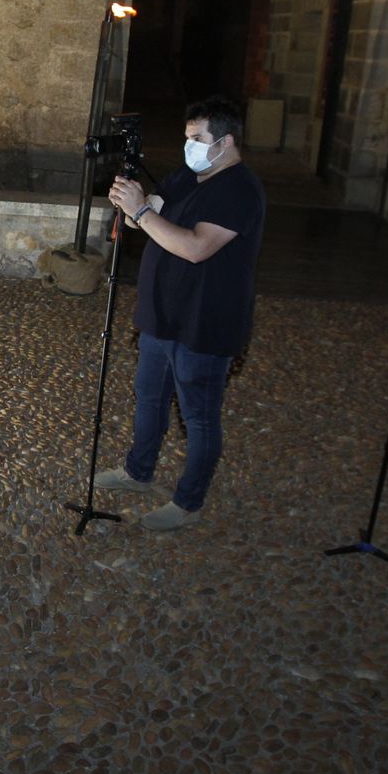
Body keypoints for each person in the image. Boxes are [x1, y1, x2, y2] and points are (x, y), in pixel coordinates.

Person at [97, 95, 266, 531]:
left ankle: (188, 501)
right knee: (149, 397)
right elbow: (149, 215)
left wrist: (140, 211)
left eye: (197, 139)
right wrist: (131, 203)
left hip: (205, 324)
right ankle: (138, 470)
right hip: (163, 314)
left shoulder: (239, 189)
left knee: (199, 415)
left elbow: (196, 247)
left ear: (225, 142)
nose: (189, 147)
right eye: (186, 138)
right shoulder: (189, 176)